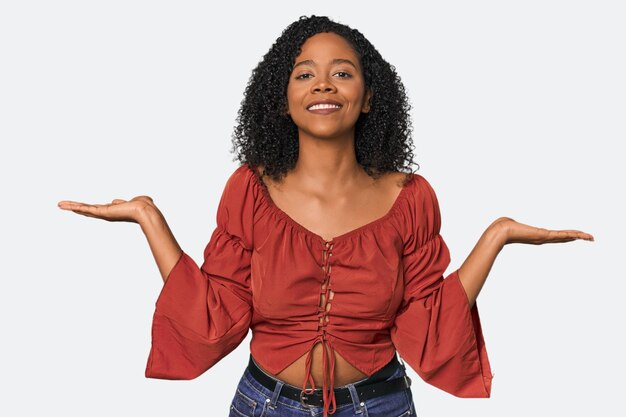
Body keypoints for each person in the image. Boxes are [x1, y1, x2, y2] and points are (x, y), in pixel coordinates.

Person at [58, 15, 594, 417]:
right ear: (283, 99)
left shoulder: (412, 197)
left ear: (367, 99)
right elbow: (216, 312)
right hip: (265, 405)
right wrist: (149, 218)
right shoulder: (250, 190)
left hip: (380, 405)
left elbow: (426, 322)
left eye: (342, 72)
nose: (323, 84)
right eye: (304, 74)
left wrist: (495, 236)